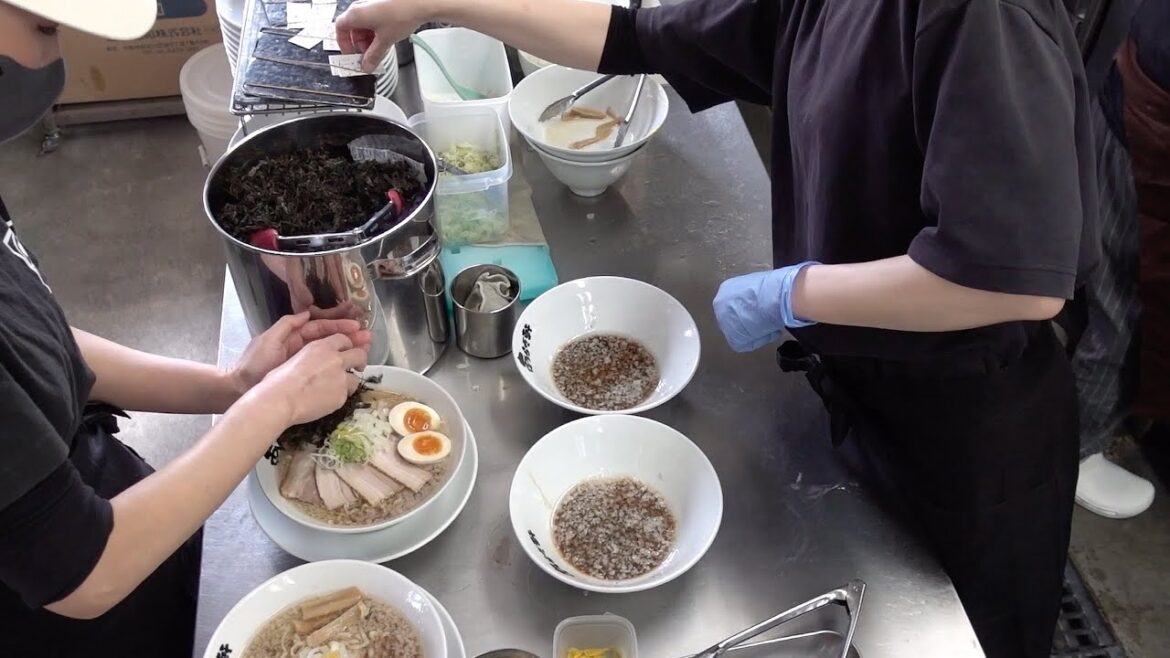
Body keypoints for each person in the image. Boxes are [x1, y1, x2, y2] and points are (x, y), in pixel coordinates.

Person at [336, 1, 1096, 656]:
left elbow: (1009, 280)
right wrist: (441, 6)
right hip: (857, 389)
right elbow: (635, 37)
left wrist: (796, 292)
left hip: (965, 434)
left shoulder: (981, 18)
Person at [0, 1, 371, 654]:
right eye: (44, 29)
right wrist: (274, 402)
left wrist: (230, 385)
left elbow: (37, 347)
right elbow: (81, 570)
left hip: (124, 509)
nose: (55, 59)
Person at [1071, 0, 1166, 520]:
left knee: (1100, 281)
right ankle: (1074, 450)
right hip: (1150, 130)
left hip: (1128, 89)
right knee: (1126, 311)